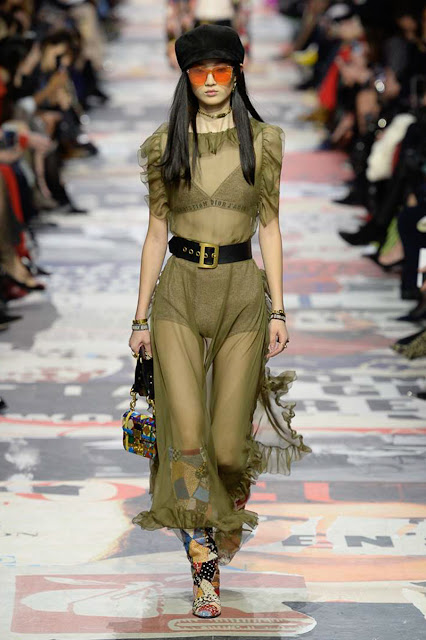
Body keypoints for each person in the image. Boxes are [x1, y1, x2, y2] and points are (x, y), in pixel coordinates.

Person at [128, 24, 312, 619]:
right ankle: (202, 567)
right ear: (185, 77)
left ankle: (224, 512)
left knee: (229, 450)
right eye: (199, 71)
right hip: (179, 294)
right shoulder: (164, 146)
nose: (210, 81)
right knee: (187, 441)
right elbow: (156, 233)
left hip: (241, 295)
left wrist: (279, 307)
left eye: (221, 70)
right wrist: (139, 318)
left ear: (237, 74)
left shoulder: (265, 142)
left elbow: (270, 228)